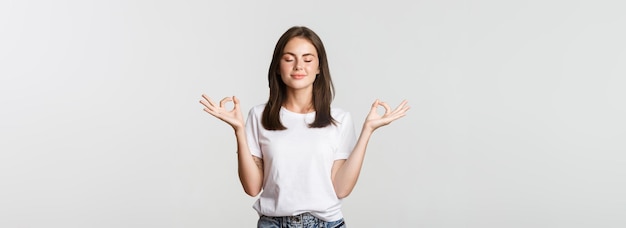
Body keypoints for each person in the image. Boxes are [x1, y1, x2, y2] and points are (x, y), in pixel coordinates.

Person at [199, 26, 409, 228]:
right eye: (289, 59)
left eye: (308, 59)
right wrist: (238, 131)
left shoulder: (339, 119)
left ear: (319, 67)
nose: (299, 66)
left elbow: (341, 189)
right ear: (278, 68)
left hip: (327, 224)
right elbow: (252, 187)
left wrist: (367, 131)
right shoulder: (259, 115)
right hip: (273, 223)